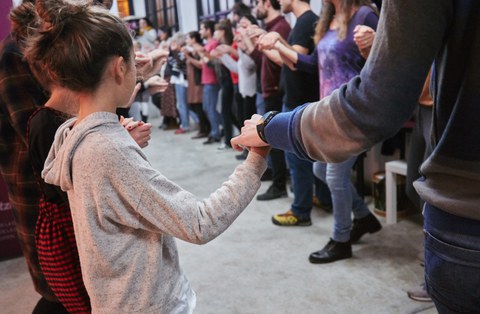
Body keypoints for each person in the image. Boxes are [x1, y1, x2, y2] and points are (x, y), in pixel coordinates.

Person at [233, 0, 480, 311]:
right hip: (332, 107)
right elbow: (310, 65)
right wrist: (278, 46)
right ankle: (364, 218)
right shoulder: (326, 21)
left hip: (465, 212)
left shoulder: (363, 14)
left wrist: (271, 127)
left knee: (333, 173)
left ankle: (342, 238)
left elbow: (380, 98)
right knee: (326, 172)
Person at [30, 1, 269, 313]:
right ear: (118, 67)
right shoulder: (108, 150)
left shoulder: (72, 134)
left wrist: (137, 75)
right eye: (132, 61)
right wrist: (257, 157)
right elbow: (200, 223)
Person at [245, 0, 291, 201]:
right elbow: (258, 57)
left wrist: (261, 40)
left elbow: (283, 60)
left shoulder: (281, 27)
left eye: (258, 4)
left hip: (276, 90)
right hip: (268, 90)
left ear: (266, 3)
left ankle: (280, 183)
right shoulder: (272, 27)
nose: (257, 9)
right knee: (270, 138)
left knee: (276, 140)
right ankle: (276, 176)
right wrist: (255, 39)